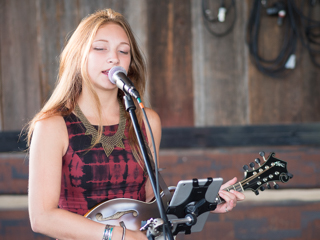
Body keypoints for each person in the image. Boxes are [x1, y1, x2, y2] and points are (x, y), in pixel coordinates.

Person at [27, 8, 244, 240]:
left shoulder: (146, 121)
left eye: (123, 51)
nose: (114, 58)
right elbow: (42, 217)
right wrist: (118, 235)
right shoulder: (52, 125)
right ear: (78, 55)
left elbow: (151, 206)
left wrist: (202, 203)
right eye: (100, 48)